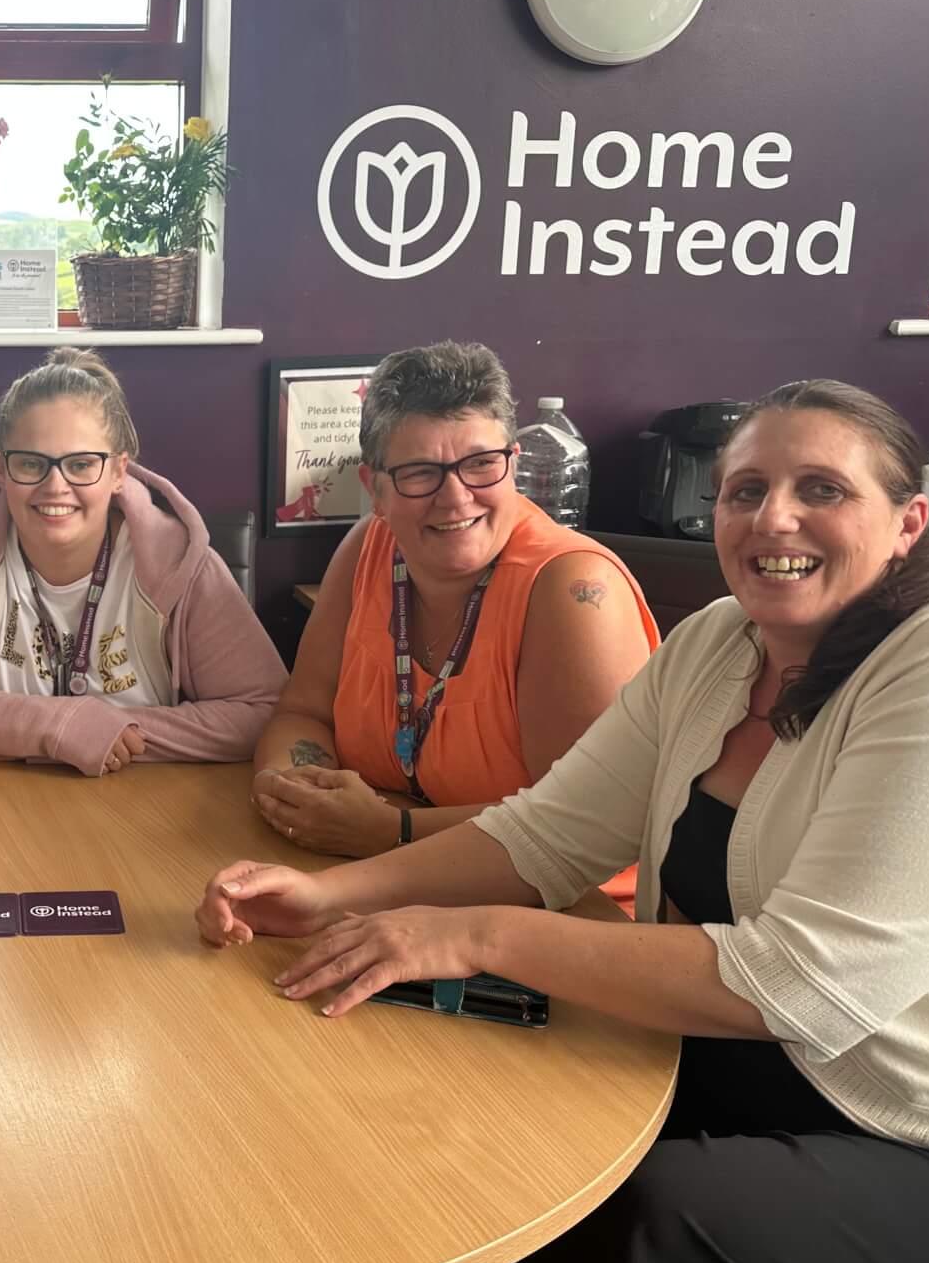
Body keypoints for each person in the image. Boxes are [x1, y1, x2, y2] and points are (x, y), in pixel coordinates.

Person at [200, 380, 929, 1263]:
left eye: (819, 488)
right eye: (744, 491)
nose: (772, 518)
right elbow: (544, 835)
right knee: (501, 1159)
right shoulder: (712, 647)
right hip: (725, 1079)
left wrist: (477, 936)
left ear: (905, 521)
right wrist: (332, 893)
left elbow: (801, 987)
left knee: (657, 1212)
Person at [253, 341, 656, 892]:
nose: (456, 497)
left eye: (481, 464)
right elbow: (302, 711)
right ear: (376, 491)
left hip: (560, 911)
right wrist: (298, 795)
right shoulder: (370, 546)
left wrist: (392, 832)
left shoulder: (574, 591)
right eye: (420, 473)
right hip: (384, 875)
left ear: (513, 464)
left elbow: (587, 828)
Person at [0, 348, 286, 774]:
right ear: (0, 469)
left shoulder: (180, 559)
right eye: (31, 463)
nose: (55, 486)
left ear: (120, 471)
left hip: (147, 806)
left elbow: (265, 709)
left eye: (82, 464)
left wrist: (106, 732)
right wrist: (53, 728)